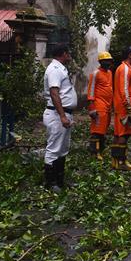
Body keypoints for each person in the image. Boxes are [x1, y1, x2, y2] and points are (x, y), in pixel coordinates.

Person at [43, 43, 76, 191]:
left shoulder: (60, 68)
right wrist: (62, 116)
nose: (69, 56)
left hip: (63, 114)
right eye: (68, 53)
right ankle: (51, 183)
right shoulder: (54, 69)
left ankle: (59, 180)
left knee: (62, 149)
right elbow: (54, 93)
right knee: (53, 149)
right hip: (57, 115)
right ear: (63, 54)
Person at [111, 46, 131, 170]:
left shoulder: (123, 68)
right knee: (123, 135)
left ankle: (116, 161)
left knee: (119, 134)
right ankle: (122, 162)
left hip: (122, 106)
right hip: (125, 108)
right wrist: (129, 107)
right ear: (130, 55)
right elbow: (124, 89)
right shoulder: (125, 69)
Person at [86, 51, 114, 159]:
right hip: (98, 105)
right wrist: (92, 108)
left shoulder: (110, 73)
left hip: (107, 106)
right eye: (106, 61)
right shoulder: (95, 73)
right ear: (101, 62)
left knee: (104, 129)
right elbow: (91, 91)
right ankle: (94, 152)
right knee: (97, 129)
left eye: (109, 61)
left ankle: (101, 150)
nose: (108, 63)